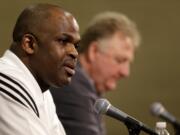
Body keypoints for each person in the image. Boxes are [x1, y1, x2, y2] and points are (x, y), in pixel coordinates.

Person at [50, 11, 141, 135]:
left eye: (128, 63)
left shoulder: (84, 85)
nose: (126, 72)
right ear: (94, 51)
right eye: (120, 60)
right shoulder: (73, 84)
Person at [0, 3, 80, 135]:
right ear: (29, 44)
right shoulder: (6, 81)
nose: (74, 53)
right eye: (63, 41)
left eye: (76, 45)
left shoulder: (43, 92)